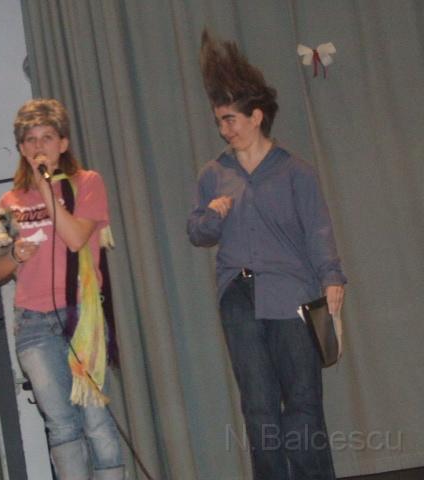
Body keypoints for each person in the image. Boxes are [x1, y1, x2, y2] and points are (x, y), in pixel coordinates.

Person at [187, 31, 346, 480]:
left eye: (231, 119)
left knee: (303, 402)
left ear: (256, 116)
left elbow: (318, 228)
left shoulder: (295, 171)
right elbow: (197, 232)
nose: (225, 129)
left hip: (292, 293)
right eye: (219, 121)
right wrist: (213, 216)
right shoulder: (214, 173)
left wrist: (332, 277)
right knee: (258, 407)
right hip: (238, 296)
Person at [0, 98, 124, 480]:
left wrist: (48, 189)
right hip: (33, 324)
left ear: (62, 143)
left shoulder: (87, 183)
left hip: (82, 317)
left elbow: (77, 238)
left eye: (47, 137)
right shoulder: (9, 203)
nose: (38, 146)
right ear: (21, 148)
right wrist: (14, 254)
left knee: (95, 419)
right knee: (61, 424)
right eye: (30, 140)